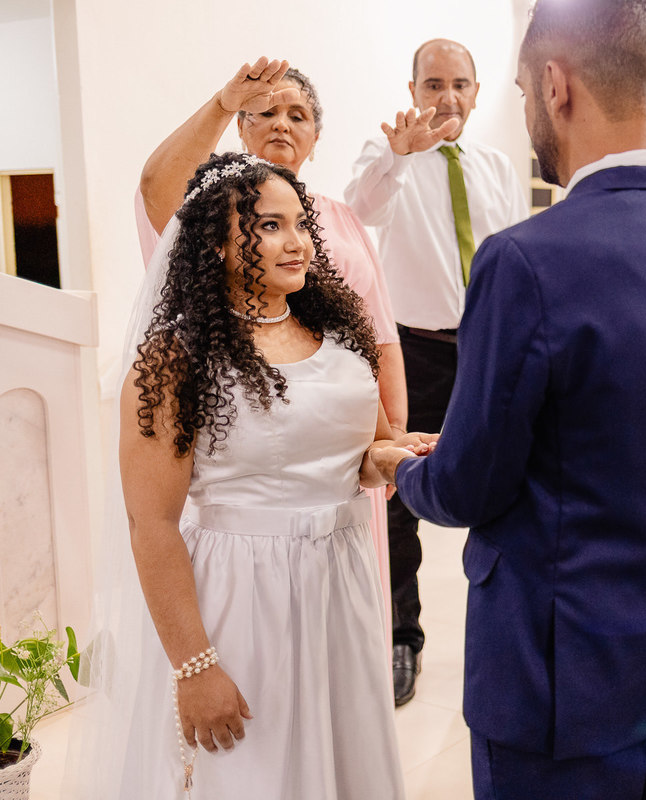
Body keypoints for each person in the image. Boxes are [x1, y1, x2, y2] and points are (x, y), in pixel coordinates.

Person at [368, 0, 646, 796]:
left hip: (549, 669)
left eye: (520, 91)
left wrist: (401, 466)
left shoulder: (524, 260)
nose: (526, 114)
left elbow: (472, 481)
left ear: (555, 85)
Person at [103, 153, 433, 798]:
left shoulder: (337, 330)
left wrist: (389, 456)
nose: (297, 241)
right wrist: (195, 667)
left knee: (343, 761)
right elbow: (151, 523)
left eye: (300, 223)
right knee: (254, 771)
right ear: (218, 244)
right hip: (241, 592)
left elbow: (346, 457)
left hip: (340, 582)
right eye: (269, 225)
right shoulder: (175, 358)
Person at [136, 57, 407, 644]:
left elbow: (377, 325)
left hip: (340, 507)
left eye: (298, 114)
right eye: (267, 227)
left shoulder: (339, 238)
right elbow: (159, 187)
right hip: (245, 564)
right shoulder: (205, 223)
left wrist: (387, 440)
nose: (296, 247)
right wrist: (223, 99)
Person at [344, 38, 527, 706]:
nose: (446, 97)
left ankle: (512, 631)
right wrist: (399, 154)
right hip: (414, 350)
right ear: (413, 89)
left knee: (509, 483)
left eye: (460, 84)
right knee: (399, 497)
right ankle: (402, 637)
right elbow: (355, 211)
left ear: (478, 92)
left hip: (489, 348)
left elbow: (512, 253)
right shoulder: (386, 158)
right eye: (433, 84)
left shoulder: (499, 166)